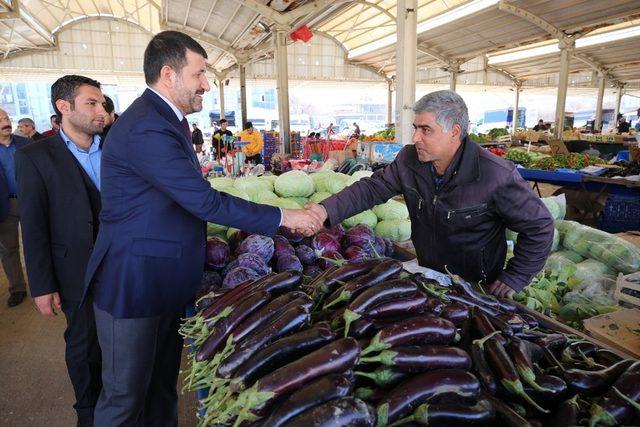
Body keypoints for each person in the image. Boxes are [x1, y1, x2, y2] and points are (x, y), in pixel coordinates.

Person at [82, 31, 321, 426]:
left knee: (159, 385)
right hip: (135, 282)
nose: (206, 85)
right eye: (199, 75)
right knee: (124, 396)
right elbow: (202, 200)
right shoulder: (147, 126)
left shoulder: (165, 120)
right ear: (168, 75)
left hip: (161, 278)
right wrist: (283, 216)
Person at [306, 90, 554, 299]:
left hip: (476, 286)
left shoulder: (495, 175)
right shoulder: (409, 160)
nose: (416, 138)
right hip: (427, 274)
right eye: (416, 128)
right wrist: (325, 210)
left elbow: (540, 226)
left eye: (426, 130)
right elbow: (372, 188)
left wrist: (516, 275)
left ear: (454, 132)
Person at [15, 74, 107, 427]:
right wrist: (41, 285)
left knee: (119, 339)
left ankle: (119, 404)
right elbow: (34, 226)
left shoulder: (114, 147)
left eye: (101, 103)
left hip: (121, 264)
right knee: (84, 342)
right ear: (64, 107)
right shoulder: (36, 157)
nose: (101, 111)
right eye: (92, 103)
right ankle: (88, 412)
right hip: (74, 270)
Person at [0, 108, 30, 307]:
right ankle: (17, 288)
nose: (6, 122)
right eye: (0, 119)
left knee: (36, 244)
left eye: (6, 118)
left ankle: (44, 286)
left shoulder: (26, 144)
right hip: (5, 204)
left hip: (30, 200)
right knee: (9, 248)